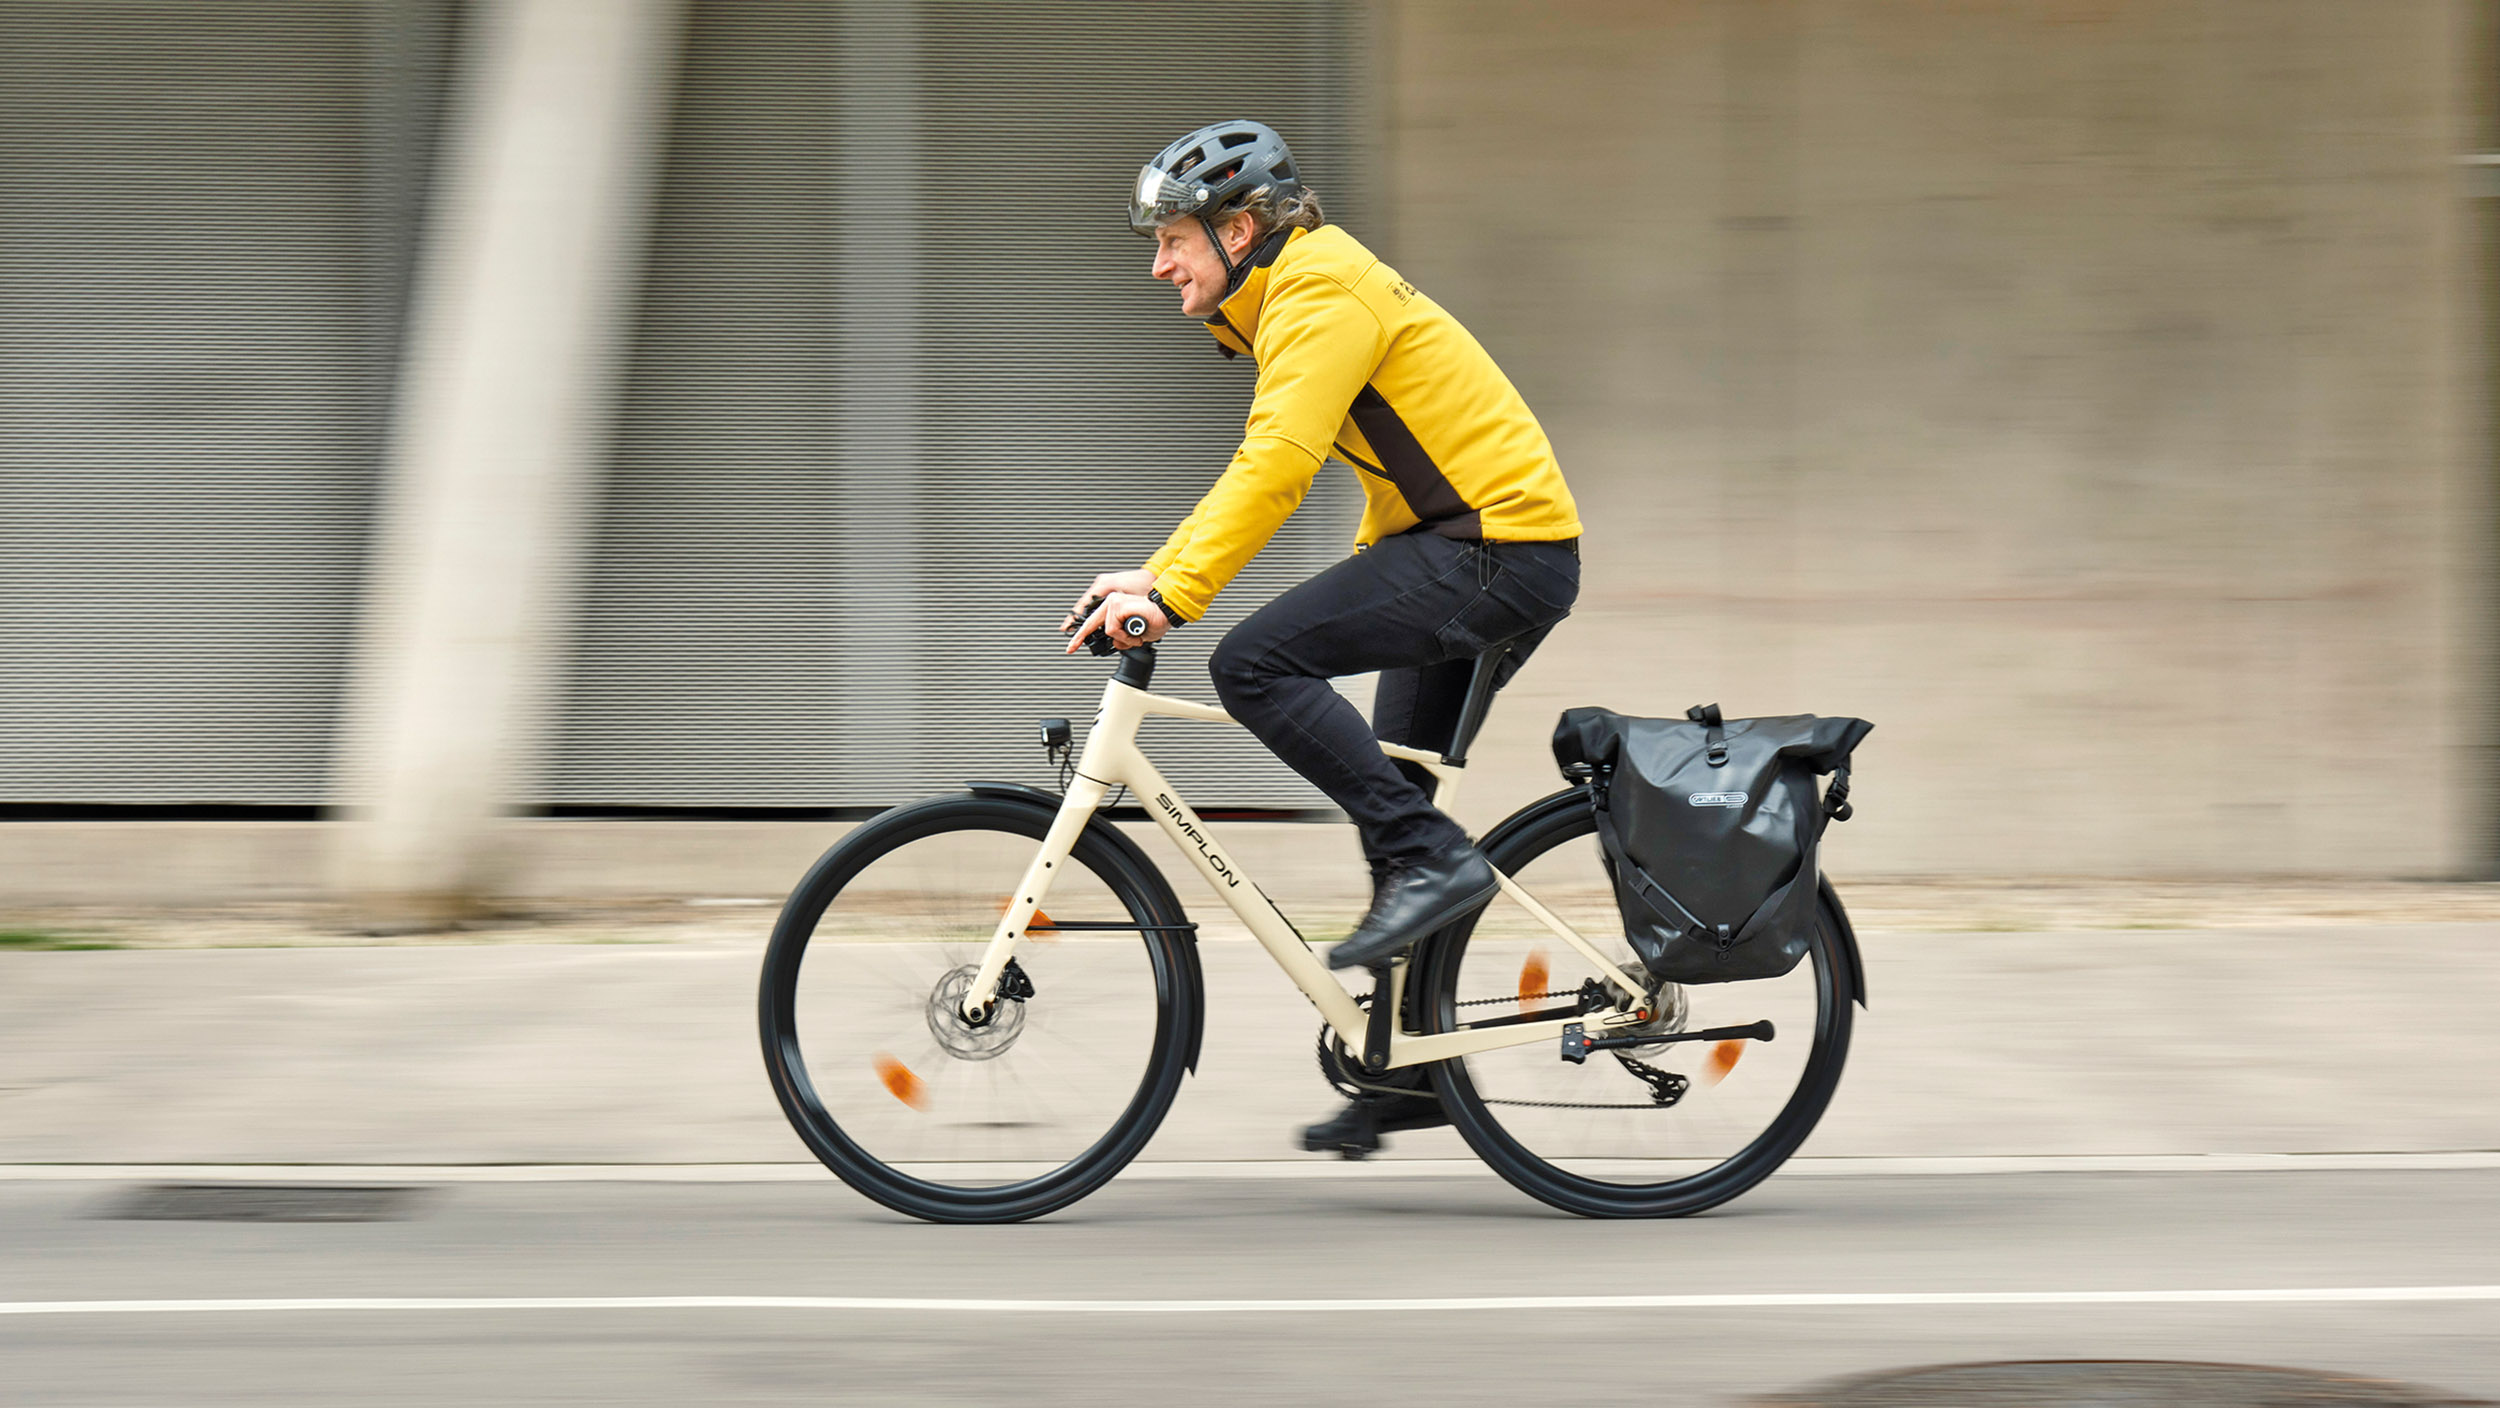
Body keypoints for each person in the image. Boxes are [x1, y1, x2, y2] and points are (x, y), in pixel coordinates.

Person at [1062, 120, 1583, 1157]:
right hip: (1474, 546)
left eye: (1172, 236)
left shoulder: (1318, 290)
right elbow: (1348, 463)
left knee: (1254, 664)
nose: (1159, 262)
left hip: (1496, 551)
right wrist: (1158, 572)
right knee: (1392, 792)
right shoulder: (1300, 293)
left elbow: (1277, 463)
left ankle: (1434, 863)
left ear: (1240, 228)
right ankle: (1409, 1066)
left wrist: (1172, 591)